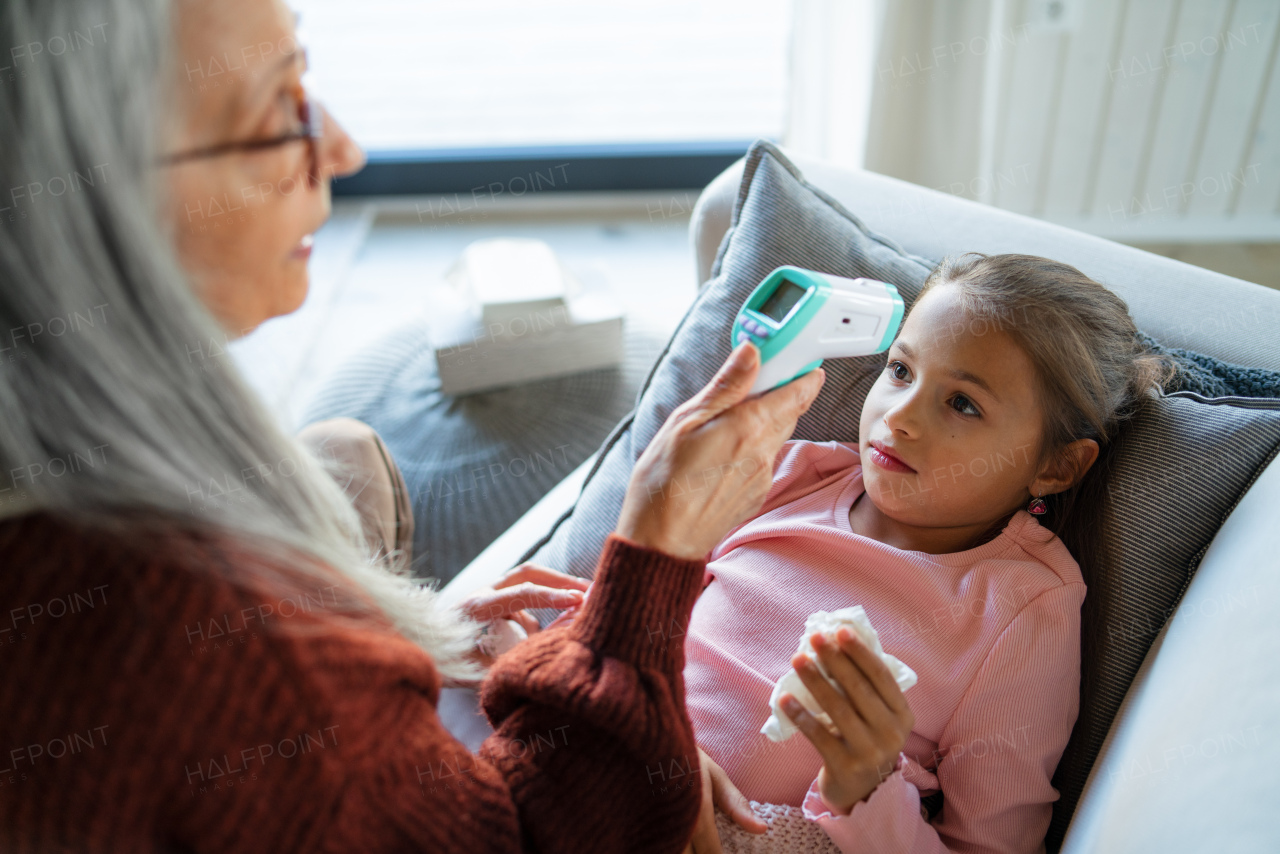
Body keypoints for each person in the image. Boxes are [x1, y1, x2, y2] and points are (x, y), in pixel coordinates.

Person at [0, 0, 825, 851]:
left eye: (306, 80)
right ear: (93, 199)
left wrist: (399, 628)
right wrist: (656, 559)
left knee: (337, 457)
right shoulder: (236, 655)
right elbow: (522, 834)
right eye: (278, 111)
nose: (345, 149)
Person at [555, 254, 1178, 853]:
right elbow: (646, 617)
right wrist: (580, 643)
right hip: (612, 759)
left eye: (962, 403)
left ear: (1057, 465)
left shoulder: (1020, 607)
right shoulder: (787, 476)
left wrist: (865, 788)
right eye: (901, 371)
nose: (898, 417)